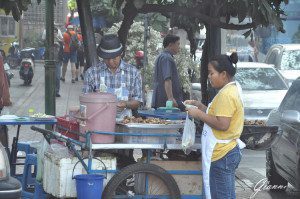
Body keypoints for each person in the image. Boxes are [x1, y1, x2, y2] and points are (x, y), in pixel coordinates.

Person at [184, 52, 245, 199]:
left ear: (223, 74)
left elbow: (222, 124)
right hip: (226, 152)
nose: (209, 77)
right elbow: (216, 114)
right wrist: (200, 106)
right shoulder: (230, 89)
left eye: (212, 73)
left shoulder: (226, 95)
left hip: (222, 154)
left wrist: (198, 114)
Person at [83, 34, 143, 118]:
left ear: (121, 54)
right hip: (99, 121)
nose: (111, 62)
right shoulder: (91, 73)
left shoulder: (133, 73)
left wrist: (126, 104)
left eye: (114, 58)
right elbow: (85, 101)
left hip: (125, 123)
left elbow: (138, 101)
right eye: (107, 58)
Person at [151, 34, 185, 111]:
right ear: (170, 45)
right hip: (167, 103)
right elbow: (167, 79)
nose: (179, 47)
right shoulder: (167, 58)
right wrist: (171, 98)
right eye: (178, 44)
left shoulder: (161, 56)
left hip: (160, 100)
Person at [53, 27, 64, 97]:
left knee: (57, 77)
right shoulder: (48, 40)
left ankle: (56, 91)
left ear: (57, 33)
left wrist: (61, 60)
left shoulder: (60, 41)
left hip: (58, 61)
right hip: (50, 61)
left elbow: (62, 52)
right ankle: (51, 91)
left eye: (55, 32)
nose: (54, 33)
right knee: (50, 78)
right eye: (53, 32)